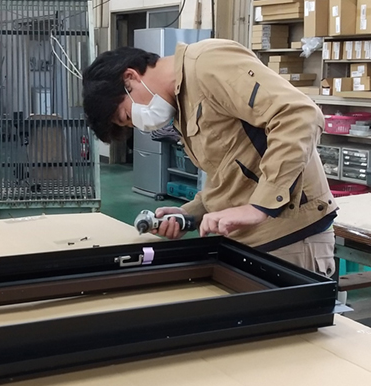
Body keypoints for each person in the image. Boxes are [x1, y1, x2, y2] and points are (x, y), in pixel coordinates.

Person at [82, 38, 338, 277]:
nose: (139, 124)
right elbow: (233, 167)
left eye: (128, 116)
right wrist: (191, 214)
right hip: (247, 242)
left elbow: (298, 115)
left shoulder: (207, 64)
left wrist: (260, 207)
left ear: (130, 77)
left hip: (290, 240)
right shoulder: (183, 105)